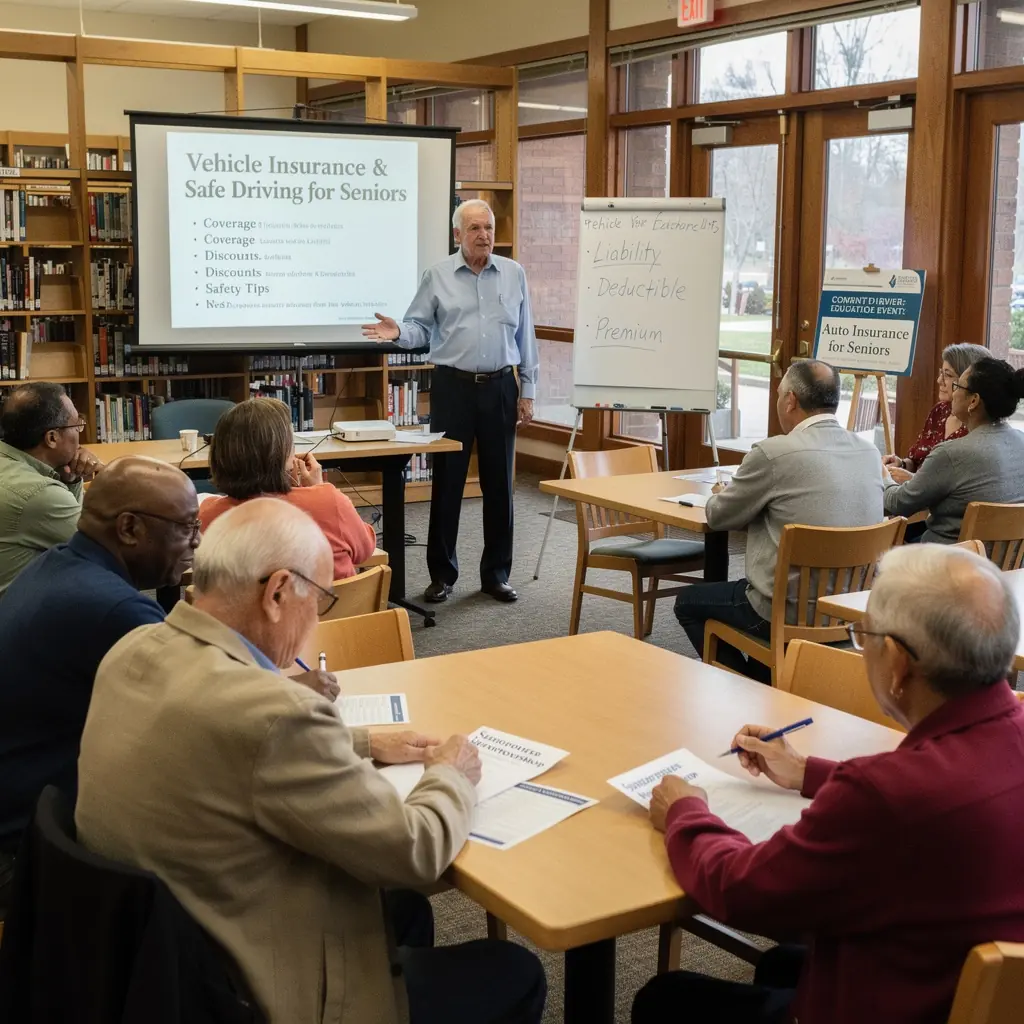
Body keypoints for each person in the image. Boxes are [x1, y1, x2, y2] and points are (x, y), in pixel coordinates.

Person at [75, 498, 546, 1024]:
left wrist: (366, 744)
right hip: (256, 987)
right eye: (320, 602)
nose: (316, 625)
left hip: (159, 962)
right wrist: (450, 775)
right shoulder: (276, 713)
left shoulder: (132, 648)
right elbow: (415, 851)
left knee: (402, 911)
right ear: (278, 592)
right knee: (514, 970)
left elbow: (226, 741)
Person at [634, 544, 1024, 1024]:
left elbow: (743, 892)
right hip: (961, 985)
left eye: (865, 636)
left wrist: (686, 812)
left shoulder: (886, 796)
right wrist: (809, 772)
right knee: (783, 965)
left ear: (899, 664)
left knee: (666, 1000)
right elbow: (936, 798)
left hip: (892, 1002)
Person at [0, 456, 198, 917]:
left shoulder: (56, 564)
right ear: (129, 528)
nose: (197, 541)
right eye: (187, 527)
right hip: (26, 854)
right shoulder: (113, 610)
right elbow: (213, 719)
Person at [361, 199, 539, 604]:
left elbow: (525, 337)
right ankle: (442, 575)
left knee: (500, 488)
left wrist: (527, 391)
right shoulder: (437, 275)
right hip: (452, 388)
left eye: (489, 228)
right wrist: (397, 333)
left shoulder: (514, 275)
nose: (484, 236)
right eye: (475, 228)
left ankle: (496, 574)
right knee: (448, 483)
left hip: (499, 388)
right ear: (458, 235)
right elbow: (419, 327)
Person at [674, 360, 884, 679]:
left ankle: (754, 686)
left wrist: (721, 492)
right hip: (847, 611)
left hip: (780, 612)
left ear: (790, 401)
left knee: (688, 603)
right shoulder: (868, 453)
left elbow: (718, 516)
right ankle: (773, 676)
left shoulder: (773, 454)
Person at [199, 397, 376, 580]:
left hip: (249, 608)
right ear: (282, 455)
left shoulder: (208, 516)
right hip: (334, 607)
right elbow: (365, 549)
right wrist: (318, 489)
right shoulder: (329, 501)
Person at [883, 356, 1024, 543]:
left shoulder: (951, 453)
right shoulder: (1020, 441)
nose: (953, 391)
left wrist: (883, 474)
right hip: (1005, 567)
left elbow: (898, 504)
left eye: (958, 386)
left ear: (973, 401)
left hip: (946, 564)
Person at [0, 382, 103, 596]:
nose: (79, 432)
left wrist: (72, 480)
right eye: (76, 425)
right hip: (17, 621)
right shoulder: (38, 494)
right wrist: (108, 479)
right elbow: (101, 553)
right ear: (52, 438)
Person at [882, 341, 989, 483]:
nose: (939, 380)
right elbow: (916, 460)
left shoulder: (979, 427)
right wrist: (901, 464)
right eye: (941, 373)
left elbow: (957, 487)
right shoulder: (940, 411)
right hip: (915, 494)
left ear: (967, 381)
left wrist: (913, 480)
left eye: (948, 375)